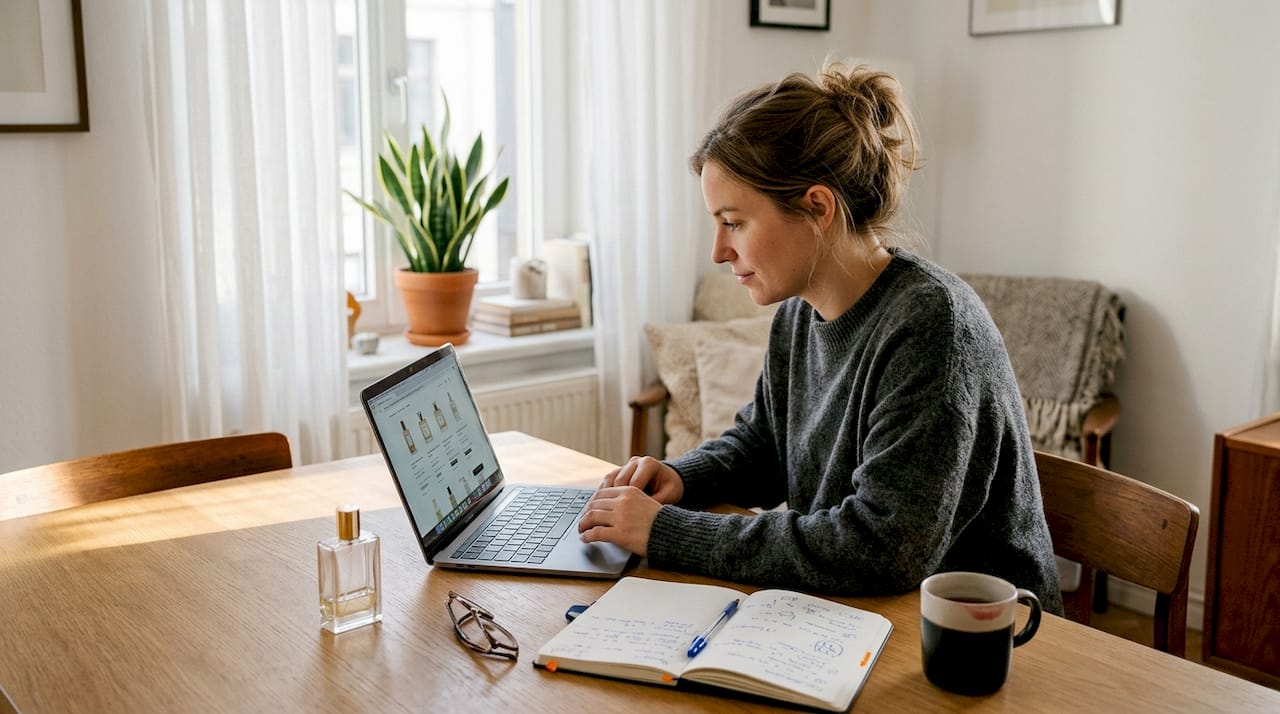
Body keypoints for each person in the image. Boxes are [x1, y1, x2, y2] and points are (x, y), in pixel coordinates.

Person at [576, 62, 1063, 612]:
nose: (717, 251)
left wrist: (668, 533)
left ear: (817, 208)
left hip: (982, 639)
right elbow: (764, 446)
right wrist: (680, 479)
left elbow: (881, 547)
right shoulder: (801, 310)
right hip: (864, 610)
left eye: (733, 222)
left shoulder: (932, 328)